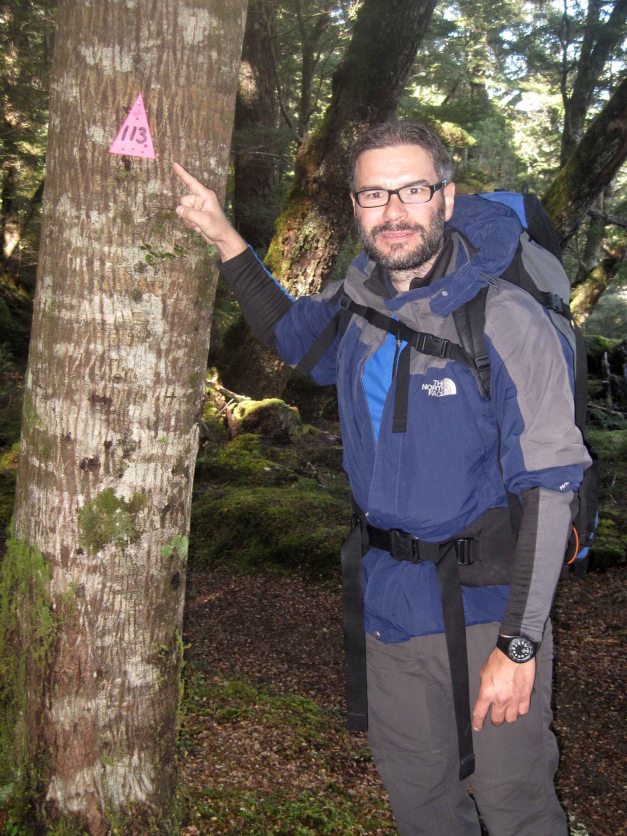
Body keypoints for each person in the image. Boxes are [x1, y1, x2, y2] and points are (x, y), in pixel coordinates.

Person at [173, 120, 591, 836]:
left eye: (412, 190)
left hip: (490, 602)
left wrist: (518, 646)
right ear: (355, 206)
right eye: (374, 194)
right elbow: (289, 334)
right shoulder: (356, 305)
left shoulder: (505, 319)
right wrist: (222, 236)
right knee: (419, 801)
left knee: (514, 804)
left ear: (446, 198)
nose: (393, 210)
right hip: (389, 600)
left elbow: (551, 488)